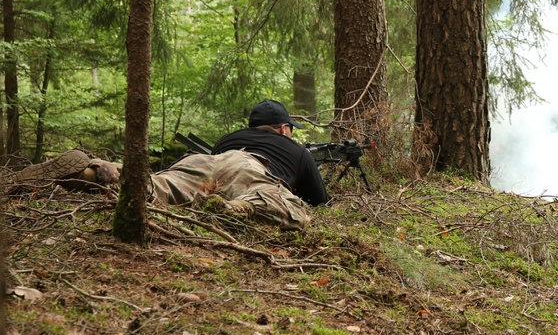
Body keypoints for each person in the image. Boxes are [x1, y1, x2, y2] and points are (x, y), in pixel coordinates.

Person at [5, 99, 326, 232]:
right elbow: (319, 200)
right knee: (294, 211)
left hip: (208, 160)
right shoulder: (294, 150)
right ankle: (236, 209)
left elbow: (219, 167)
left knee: (157, 186)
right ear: (284, 129)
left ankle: (97, 171)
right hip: (252, 169)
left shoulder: (229, 137)